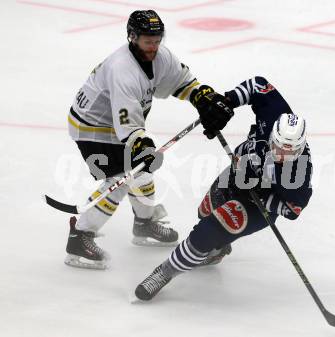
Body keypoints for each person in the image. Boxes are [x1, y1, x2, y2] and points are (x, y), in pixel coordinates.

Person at [65, 10, 234, 270]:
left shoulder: (160, 55)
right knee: (122, 178)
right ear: (132, 37)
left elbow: (183, 82)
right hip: (92, 126)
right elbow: (129, 126)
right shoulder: (122, 70)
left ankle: (143, 224)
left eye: (157, 40)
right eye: (148, 41)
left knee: (141, 173)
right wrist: (142, 146)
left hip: (115, 124)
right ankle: (80, 236)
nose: (154, 46)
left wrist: (204, 97)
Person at [134, 76, 313, 300]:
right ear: (274, 135)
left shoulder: (300, 173)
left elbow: (292, 210)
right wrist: (226, 102)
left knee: (206, 232)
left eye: (289, 152)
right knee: (204, 211)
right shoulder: (276, 114)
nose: (282, 155)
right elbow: (258, 84)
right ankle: (216, 250)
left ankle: (164, 272)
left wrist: (263, 196)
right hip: (237, 176)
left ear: (300, 146)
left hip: (257, 206)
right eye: (278, 146)